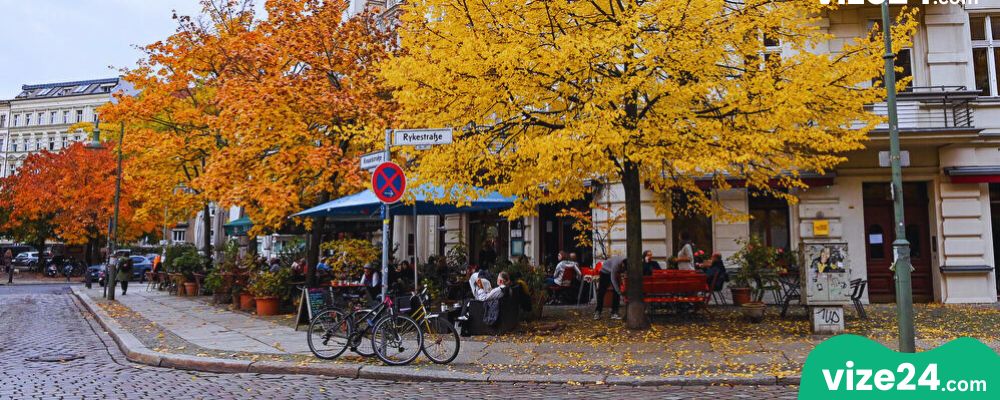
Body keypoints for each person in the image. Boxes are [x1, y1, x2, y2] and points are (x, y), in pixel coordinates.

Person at [594, 255, 626, 320]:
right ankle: (598, 312)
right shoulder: (616, 264)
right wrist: (619, 291)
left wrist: (622, 287)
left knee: (616, 293)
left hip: (615, 272)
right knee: (601, 292)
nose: (623, 269)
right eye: (623, 267)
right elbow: (613, 279)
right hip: (605, 272)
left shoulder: (627, 263)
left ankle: (614, 312)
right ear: (622, 263)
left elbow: (623, 276)